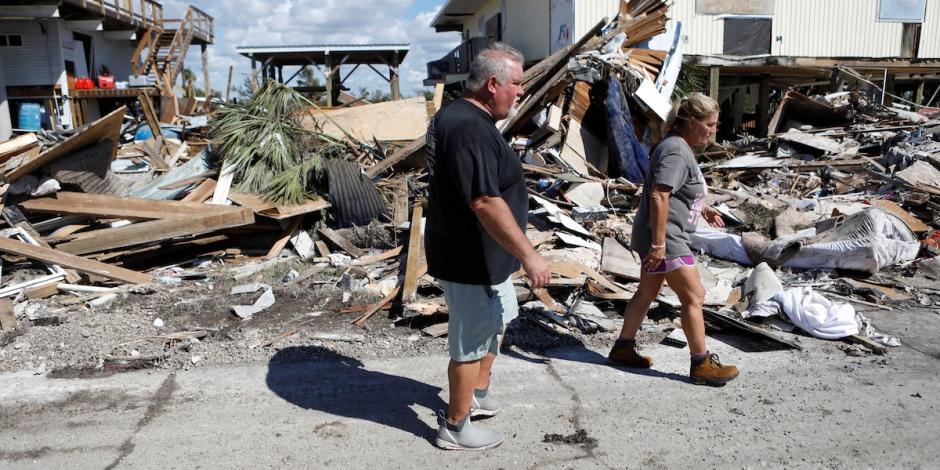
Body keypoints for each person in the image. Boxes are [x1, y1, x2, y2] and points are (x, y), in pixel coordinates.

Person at [424, 43, 551, 450]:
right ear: (493, 83)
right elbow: (484, 201)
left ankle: (476, 394)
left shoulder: (469, 120)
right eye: (516, 84)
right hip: (470, 259)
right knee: (472, 339)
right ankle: (455, 426)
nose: (520, 93)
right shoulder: (467, 128)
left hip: (486, 257)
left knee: (498, 320)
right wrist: (530, 254)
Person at [607, 92, 739, 386]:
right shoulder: (677, 150)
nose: (713, 130)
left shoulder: (677, 147)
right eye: (709, 124)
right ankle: (701, 364)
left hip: (661, 238)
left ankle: (623, 348)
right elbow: (659, 194)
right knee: (694, 296)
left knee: (647, 291)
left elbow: (674, 190)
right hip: (667, 240)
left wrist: (701, 208)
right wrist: (658, 244)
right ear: (690, 122)